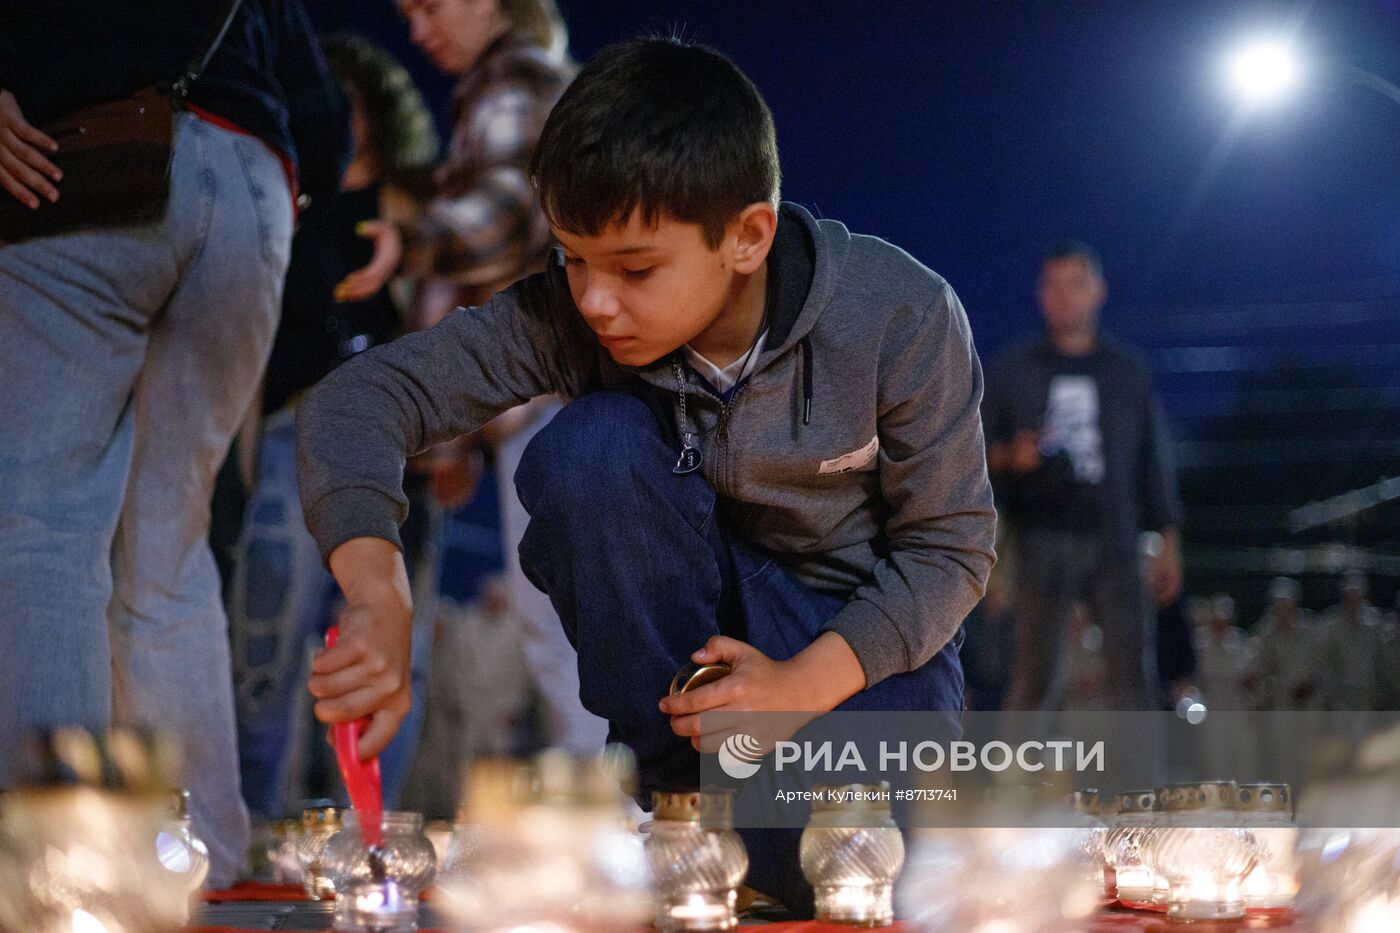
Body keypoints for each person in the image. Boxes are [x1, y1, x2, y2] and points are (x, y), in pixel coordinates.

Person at [295, 36, 995, 913]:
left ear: (747, 236)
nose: (594, 300)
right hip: (689, 657)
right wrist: (377, 591)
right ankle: (676, 803)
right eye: (573, 257)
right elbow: (360, 400)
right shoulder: (571, 316)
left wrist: (798, 685)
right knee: (592, 449)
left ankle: (767, 831)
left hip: (851, 640)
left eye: (633, 268)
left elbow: (951, 548)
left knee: (863, 867)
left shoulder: (899, 316)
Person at [0, 0, 347, 888]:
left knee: (44, 529)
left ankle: (52, 864)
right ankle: (202, 859)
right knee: (171, 546)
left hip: (77, 157)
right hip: (254, 185)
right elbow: (325, 118)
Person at [339, 0, 610, 757]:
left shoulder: (517, 76)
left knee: (562, 626)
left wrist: (411, 239)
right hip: (540, 402)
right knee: (554, 622)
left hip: (553, 396)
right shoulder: (501, 84)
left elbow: (507, 215)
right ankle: (617, 799)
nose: (418, 29)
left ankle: (621, 805)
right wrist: (455, 438)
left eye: (430, 5)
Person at [228, 33, 442, 819]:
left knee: (393, 651)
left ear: (378, 112)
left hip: (397, 455)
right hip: (289, 439)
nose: (325, 113)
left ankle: (369, 832)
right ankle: (262, 825)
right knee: (266, 646)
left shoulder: (412, 212)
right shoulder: (286, 204)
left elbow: (457, 312)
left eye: (343, 99)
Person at [982, 241, 1183, 711]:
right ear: (1040, 294)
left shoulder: (1126, 372)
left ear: (1098, 291)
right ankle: (1017, 762)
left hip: (1114, 534)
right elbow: (972, 454)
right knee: (1033, 679)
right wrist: (1013, 455)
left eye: (1076, 284)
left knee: (1132, 676)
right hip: (1041, 534)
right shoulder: (1014, 369)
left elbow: (1152, 459)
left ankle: (1136, 764)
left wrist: (1169, 538)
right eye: (1053, 285)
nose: (1064, 297)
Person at [1251, 577, 1321, 711]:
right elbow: (1260, 667)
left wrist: (1309, 683)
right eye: (1278, 604)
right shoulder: (1266, 633)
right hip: (1279, 703)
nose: (1281, 609)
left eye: (1285, 604)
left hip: (1308, 702)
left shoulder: (1309, 630)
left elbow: (1319, 663)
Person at [1319, 571, 1385, 710]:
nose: (1353, 602)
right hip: (1342, 696)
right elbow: (1324, 662)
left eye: (1356, 596)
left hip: (1368, 695)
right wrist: (1329, 694)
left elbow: (1381, 659)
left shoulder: (1374, 623)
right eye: (1349, 597)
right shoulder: (1331, 624)